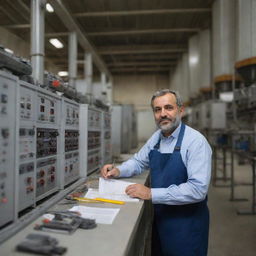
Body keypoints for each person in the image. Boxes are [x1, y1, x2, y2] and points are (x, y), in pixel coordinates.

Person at [101, 89, 212, 256]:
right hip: (161, 221)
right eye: (157, 109)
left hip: (187, 226)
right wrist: (118, 170)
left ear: (180, 111)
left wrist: (151, 193)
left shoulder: (195, 142)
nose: (163, 114)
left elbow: (198, 190)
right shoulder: (157, 138)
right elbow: (139, 161)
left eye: (168, 108)